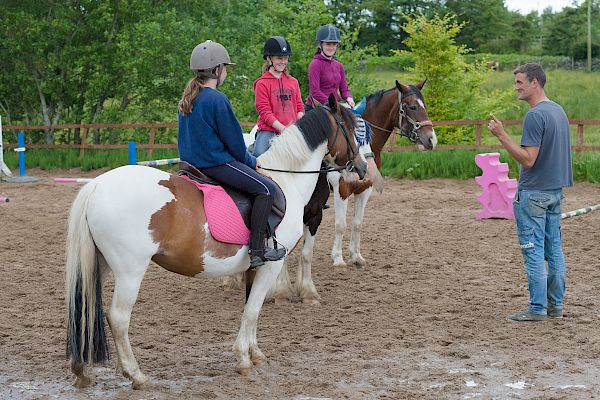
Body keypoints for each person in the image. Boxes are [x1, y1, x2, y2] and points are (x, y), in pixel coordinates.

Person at [178, 40, 286, 268]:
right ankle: (258, 249)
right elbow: (236, 145)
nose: (225, 72)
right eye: (225, 68)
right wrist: (252, 162)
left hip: (190, 166)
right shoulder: (217, 99)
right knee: (265, 190)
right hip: (215, 164)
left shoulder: (188, 98)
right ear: (217, 70)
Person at [488, 63, 573, 322]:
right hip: (555, 192)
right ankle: (555, 305)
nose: (516, 87)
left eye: (519, 82)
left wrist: (502, 136)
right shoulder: (558, 111)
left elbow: (528, 159)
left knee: (533, 251)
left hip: (534, 194)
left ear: (534, 83)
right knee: (554, 249)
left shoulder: (535, 116)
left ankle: (537, 308)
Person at [253, 36, 304, 157]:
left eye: (285, 58)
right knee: (258, 155)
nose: (283, 61)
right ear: (269, 59)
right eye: (279, 58)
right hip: (269, 131)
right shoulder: (261, 83)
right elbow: (265, 112)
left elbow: (299, 106)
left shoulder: (293, 82)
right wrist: (283, 130)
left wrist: (297, 125)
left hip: (292, 130)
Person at [305, 24, 354, 111]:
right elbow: (315, 92)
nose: (331, 48)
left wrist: (349, 98)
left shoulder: (339, 65)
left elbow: (344, 89)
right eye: (328, 44)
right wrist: (336, 104)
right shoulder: (315, 64)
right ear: (320, 45)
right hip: (317, 108)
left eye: (334, 44)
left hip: (334, 107)